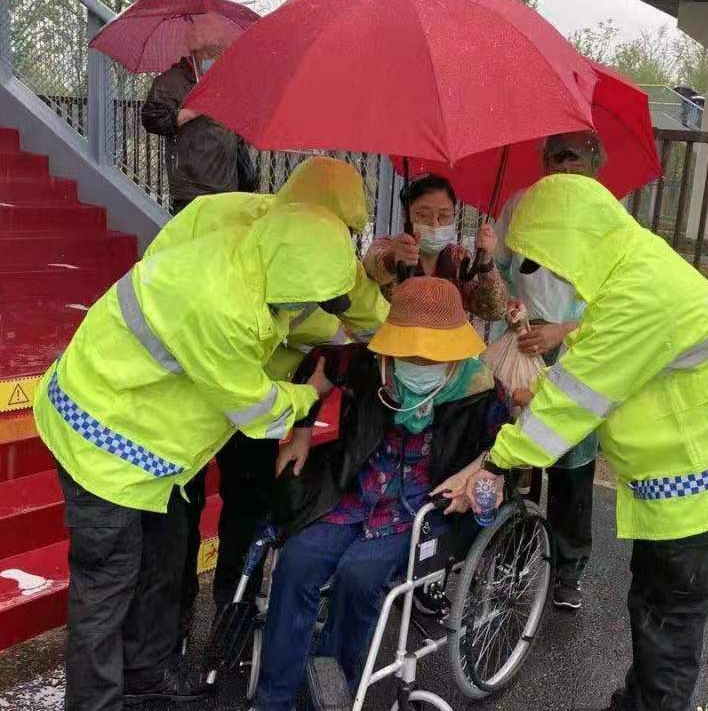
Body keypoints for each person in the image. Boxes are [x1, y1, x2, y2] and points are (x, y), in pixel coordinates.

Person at [466, 174, 708, 711]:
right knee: (651, 604)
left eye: (544, 258)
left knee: (671, 621)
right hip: (684, 469)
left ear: (572, 242)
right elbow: (591, 357)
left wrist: (496, 461)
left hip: (702, 481)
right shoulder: (628, 269)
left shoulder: (640, 292)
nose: (546, 274)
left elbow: (576, 398)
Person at [33, 200, 359, 711]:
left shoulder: (252, 248)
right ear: (293, 282)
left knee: (165, 555)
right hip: (103, 438)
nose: (312, 310)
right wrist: (310, 394)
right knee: (106, 584)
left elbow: (306, 321)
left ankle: (146, 669)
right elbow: (256, 412)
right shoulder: (222, 306)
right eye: (313, 299)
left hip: (151, 442)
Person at [227, 277, 511, 711]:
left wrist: (474, 475)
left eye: (430, 355)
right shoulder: (367, 363)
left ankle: (328, 707)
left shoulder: (479, 388)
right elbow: (315, 371)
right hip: (352, 495)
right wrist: (299, 434)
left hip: (417, 513)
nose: (417, 363)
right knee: (297, 560)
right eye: (409, 353)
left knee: (359, 576)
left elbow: (505, 451)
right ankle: (274, 704)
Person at [152, 158, 390, 643]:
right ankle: (168, 633)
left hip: (264, 403)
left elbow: (377, 325)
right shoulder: (213, 217)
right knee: (175, 515)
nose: (332, 243)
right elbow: (160, 291)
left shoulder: (335, 261)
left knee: (248, 506)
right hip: (185, 398)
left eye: (344, 234)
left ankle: (232, 621)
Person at [494, 131, 607, 610]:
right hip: (522, 341)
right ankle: (510, 552)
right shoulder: (520, 204)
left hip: (578, 349)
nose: (565, 166)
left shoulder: (607, 216)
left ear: (595, 163)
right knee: (517, 451)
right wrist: (511, 310)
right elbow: (501, 270)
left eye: (575, 158)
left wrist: (565, 329)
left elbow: (615, 297)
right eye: (556, 157)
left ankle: (567, 567)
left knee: (572, 460)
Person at [141, 14, 249, 215]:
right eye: (211, 51)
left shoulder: (223, 79)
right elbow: (151, 119)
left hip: (228, 183)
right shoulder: (172, 81)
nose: (216, 56)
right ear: (196, 50)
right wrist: (192, 111)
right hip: (192, 187)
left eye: (220, 50)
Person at [363, 173, 508, 322]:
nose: (435, 224)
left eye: (444, 216)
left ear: (454, 216)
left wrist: (486, 260)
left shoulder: (458, 258)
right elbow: (372, 267)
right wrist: (394, 259)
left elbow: (494, 310)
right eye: (423, 215)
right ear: (406, 215)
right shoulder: (389, 246)